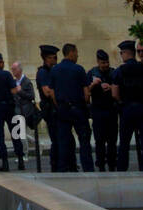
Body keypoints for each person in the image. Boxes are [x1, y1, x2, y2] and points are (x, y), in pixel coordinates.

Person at [51, 43, 94, 172]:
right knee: (84, 141)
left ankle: (63, 170)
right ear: (71, 52)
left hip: (63, 109)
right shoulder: (78, 69)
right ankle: (88, 169)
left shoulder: (55, 70)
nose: (77, 55)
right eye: (76, 53)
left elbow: (52, 93)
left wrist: (59, 105)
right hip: (78, 109)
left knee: (63, 142)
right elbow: (86, 94)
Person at [113, 40, 143, 172]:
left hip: (127, 109)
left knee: (124, 142)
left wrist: (122, 102)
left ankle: (122, 168)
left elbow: (114, 93)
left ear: (126, 53)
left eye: (121, 53)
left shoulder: (120, 71)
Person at [0, 52, 25, 171]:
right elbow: (13, 90)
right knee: (15, 134)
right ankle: (20, 160)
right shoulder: (7, 75)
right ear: (0, 62)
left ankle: (5, 162)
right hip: (8, 107)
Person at [86, 49, 118, 172]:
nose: (105, 65)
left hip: (111, 110)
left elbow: (118, 87)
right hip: (98, 111)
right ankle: (100, 163)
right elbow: (86, 91)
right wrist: (94, 85)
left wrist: (110, 88)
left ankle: (111, 162)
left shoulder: (113, 72)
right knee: (99, 140)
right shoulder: (92, 73)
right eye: (103, 63)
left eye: (107, 62)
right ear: (98, 62)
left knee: (112, 140)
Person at [35, 44, 64, 172]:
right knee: (56, 139)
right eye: (53, 58)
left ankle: (61, 163)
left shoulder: (53, 71)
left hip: (55, 109)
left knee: (60, 138)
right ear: (47, 58)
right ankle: (55, 165)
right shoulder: (43, 72)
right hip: (51, 109)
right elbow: (47, 92)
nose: (55, 60)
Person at [9, 60, 39, 148]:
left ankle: (24, 154)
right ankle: (37, 145)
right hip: (16, 110)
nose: (13, 71)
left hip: (25, 111)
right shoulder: (14, 82)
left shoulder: (26, 81)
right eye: (12, 69)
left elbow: (32, 96)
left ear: (19, 70)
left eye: (14, 69)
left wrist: (20, 91)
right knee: (17, 133)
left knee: (21, 133)